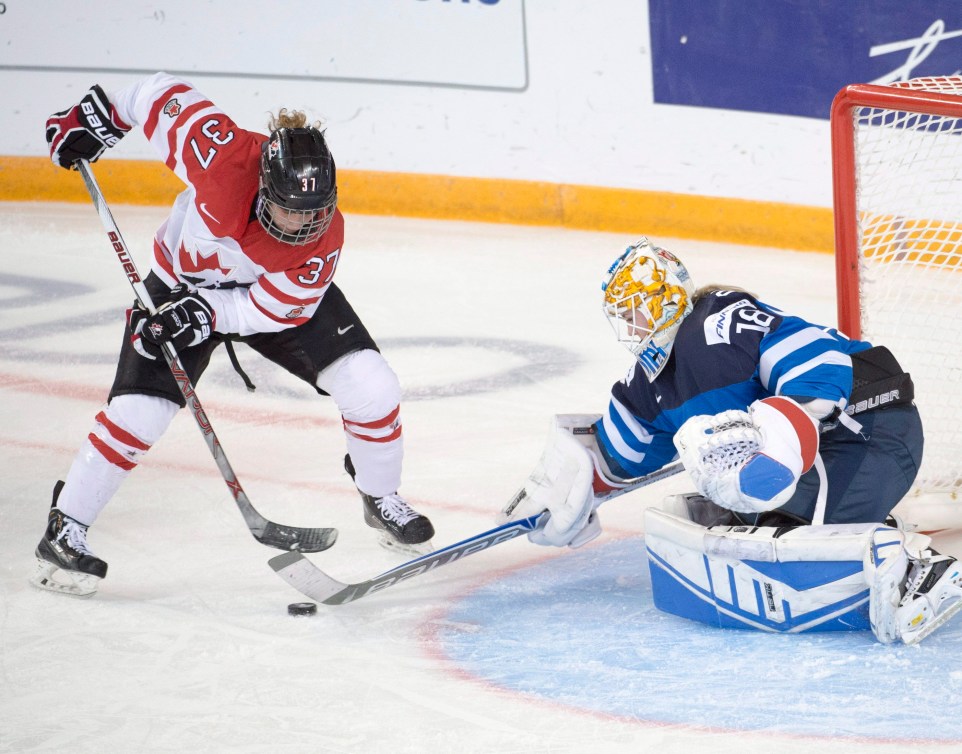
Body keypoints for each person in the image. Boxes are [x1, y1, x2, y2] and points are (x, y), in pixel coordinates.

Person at [34, 73, 434, 597]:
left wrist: (207, 314)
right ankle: (65, 529)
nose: (301, 224)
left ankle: (380, 495)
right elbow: (154, 94)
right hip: (177, 285)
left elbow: (271, 309)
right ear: (265, 185)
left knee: (372, 385)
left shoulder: (321, 240)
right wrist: (98, 118)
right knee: (139, 413)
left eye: (313, 210)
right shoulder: (221, 157)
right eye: (289, 207)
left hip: (259, 302)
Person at [504, 237, 962, 644]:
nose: (632, 325)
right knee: (760, 529)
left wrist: (787, 422)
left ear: (667, 298)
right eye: (623, 316)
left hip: (871, 428)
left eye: (638, 310)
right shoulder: (647, 380)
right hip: (825, 449)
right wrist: (564, 491)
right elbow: (618, 453)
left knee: (800, 544)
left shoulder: (719, 320)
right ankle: (869, 530)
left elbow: (818, 358)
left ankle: (925, 571)